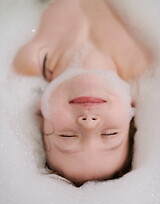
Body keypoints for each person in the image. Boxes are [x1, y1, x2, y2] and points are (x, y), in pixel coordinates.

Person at [13, 0, 151, 186]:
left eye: (67, 136)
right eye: (110, 134)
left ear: (41, 111)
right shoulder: (141, 55)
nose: (89, 124)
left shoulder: (27, 58)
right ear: (132, 105)